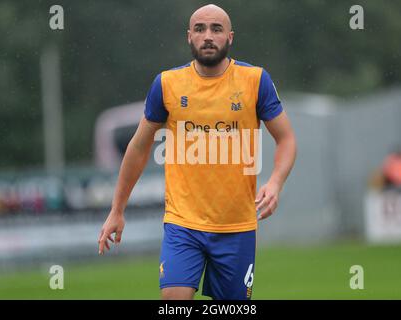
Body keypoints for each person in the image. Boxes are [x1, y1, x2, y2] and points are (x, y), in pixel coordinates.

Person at [98, 4, 297, 300]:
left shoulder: (255, 81)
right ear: (188, 36)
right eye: (200, 29)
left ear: (230, 38)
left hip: (237, 226)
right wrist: (117, 209)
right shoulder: (167, 84)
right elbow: (138, 148)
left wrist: (276, 183)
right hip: (183, 224)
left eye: (216, 29)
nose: (208, 36)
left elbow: (287, 139)